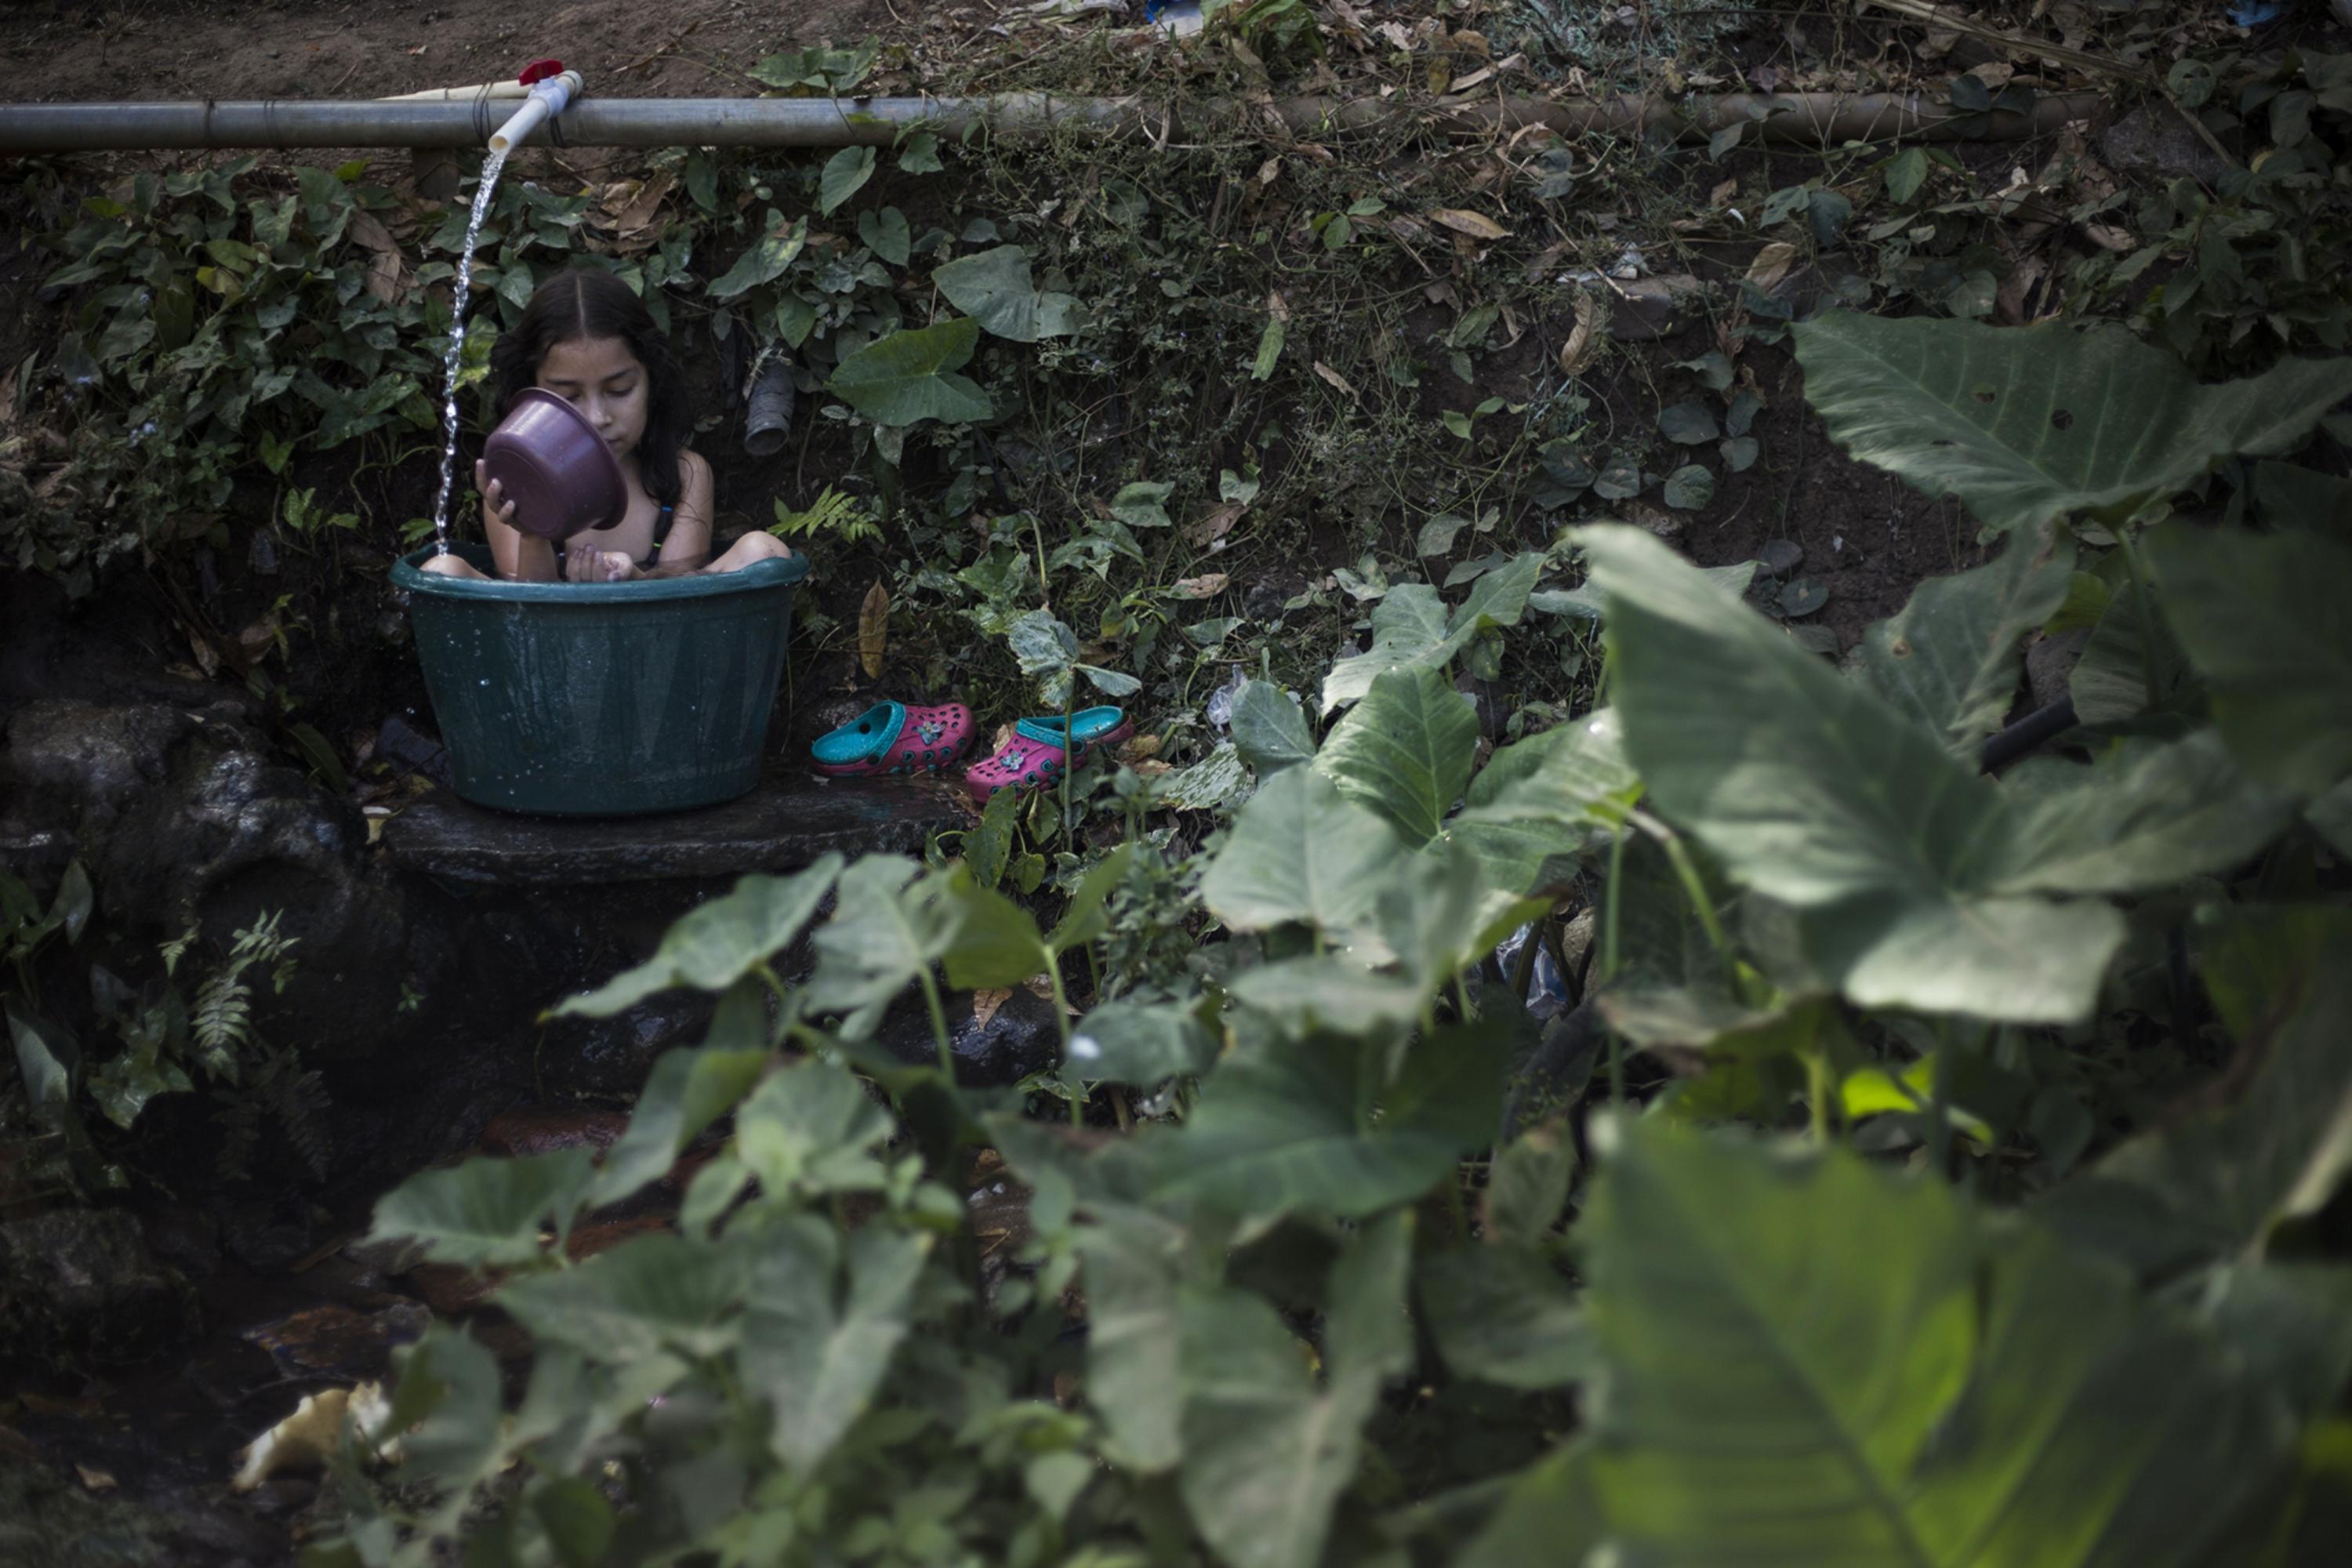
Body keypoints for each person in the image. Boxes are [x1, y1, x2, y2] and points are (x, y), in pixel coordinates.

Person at [420, 267, 795, 583]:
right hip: (547, 653)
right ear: (531, 393)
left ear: (651, 382)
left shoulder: (683, 477)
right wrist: (533, 534)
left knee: (763, 550)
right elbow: (526, 618)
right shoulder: (510, 486)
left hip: (656, 644)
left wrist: (634, 581)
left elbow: (687, 602)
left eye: (619, 390)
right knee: (442, 570)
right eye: (569, 397)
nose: (598, 417)